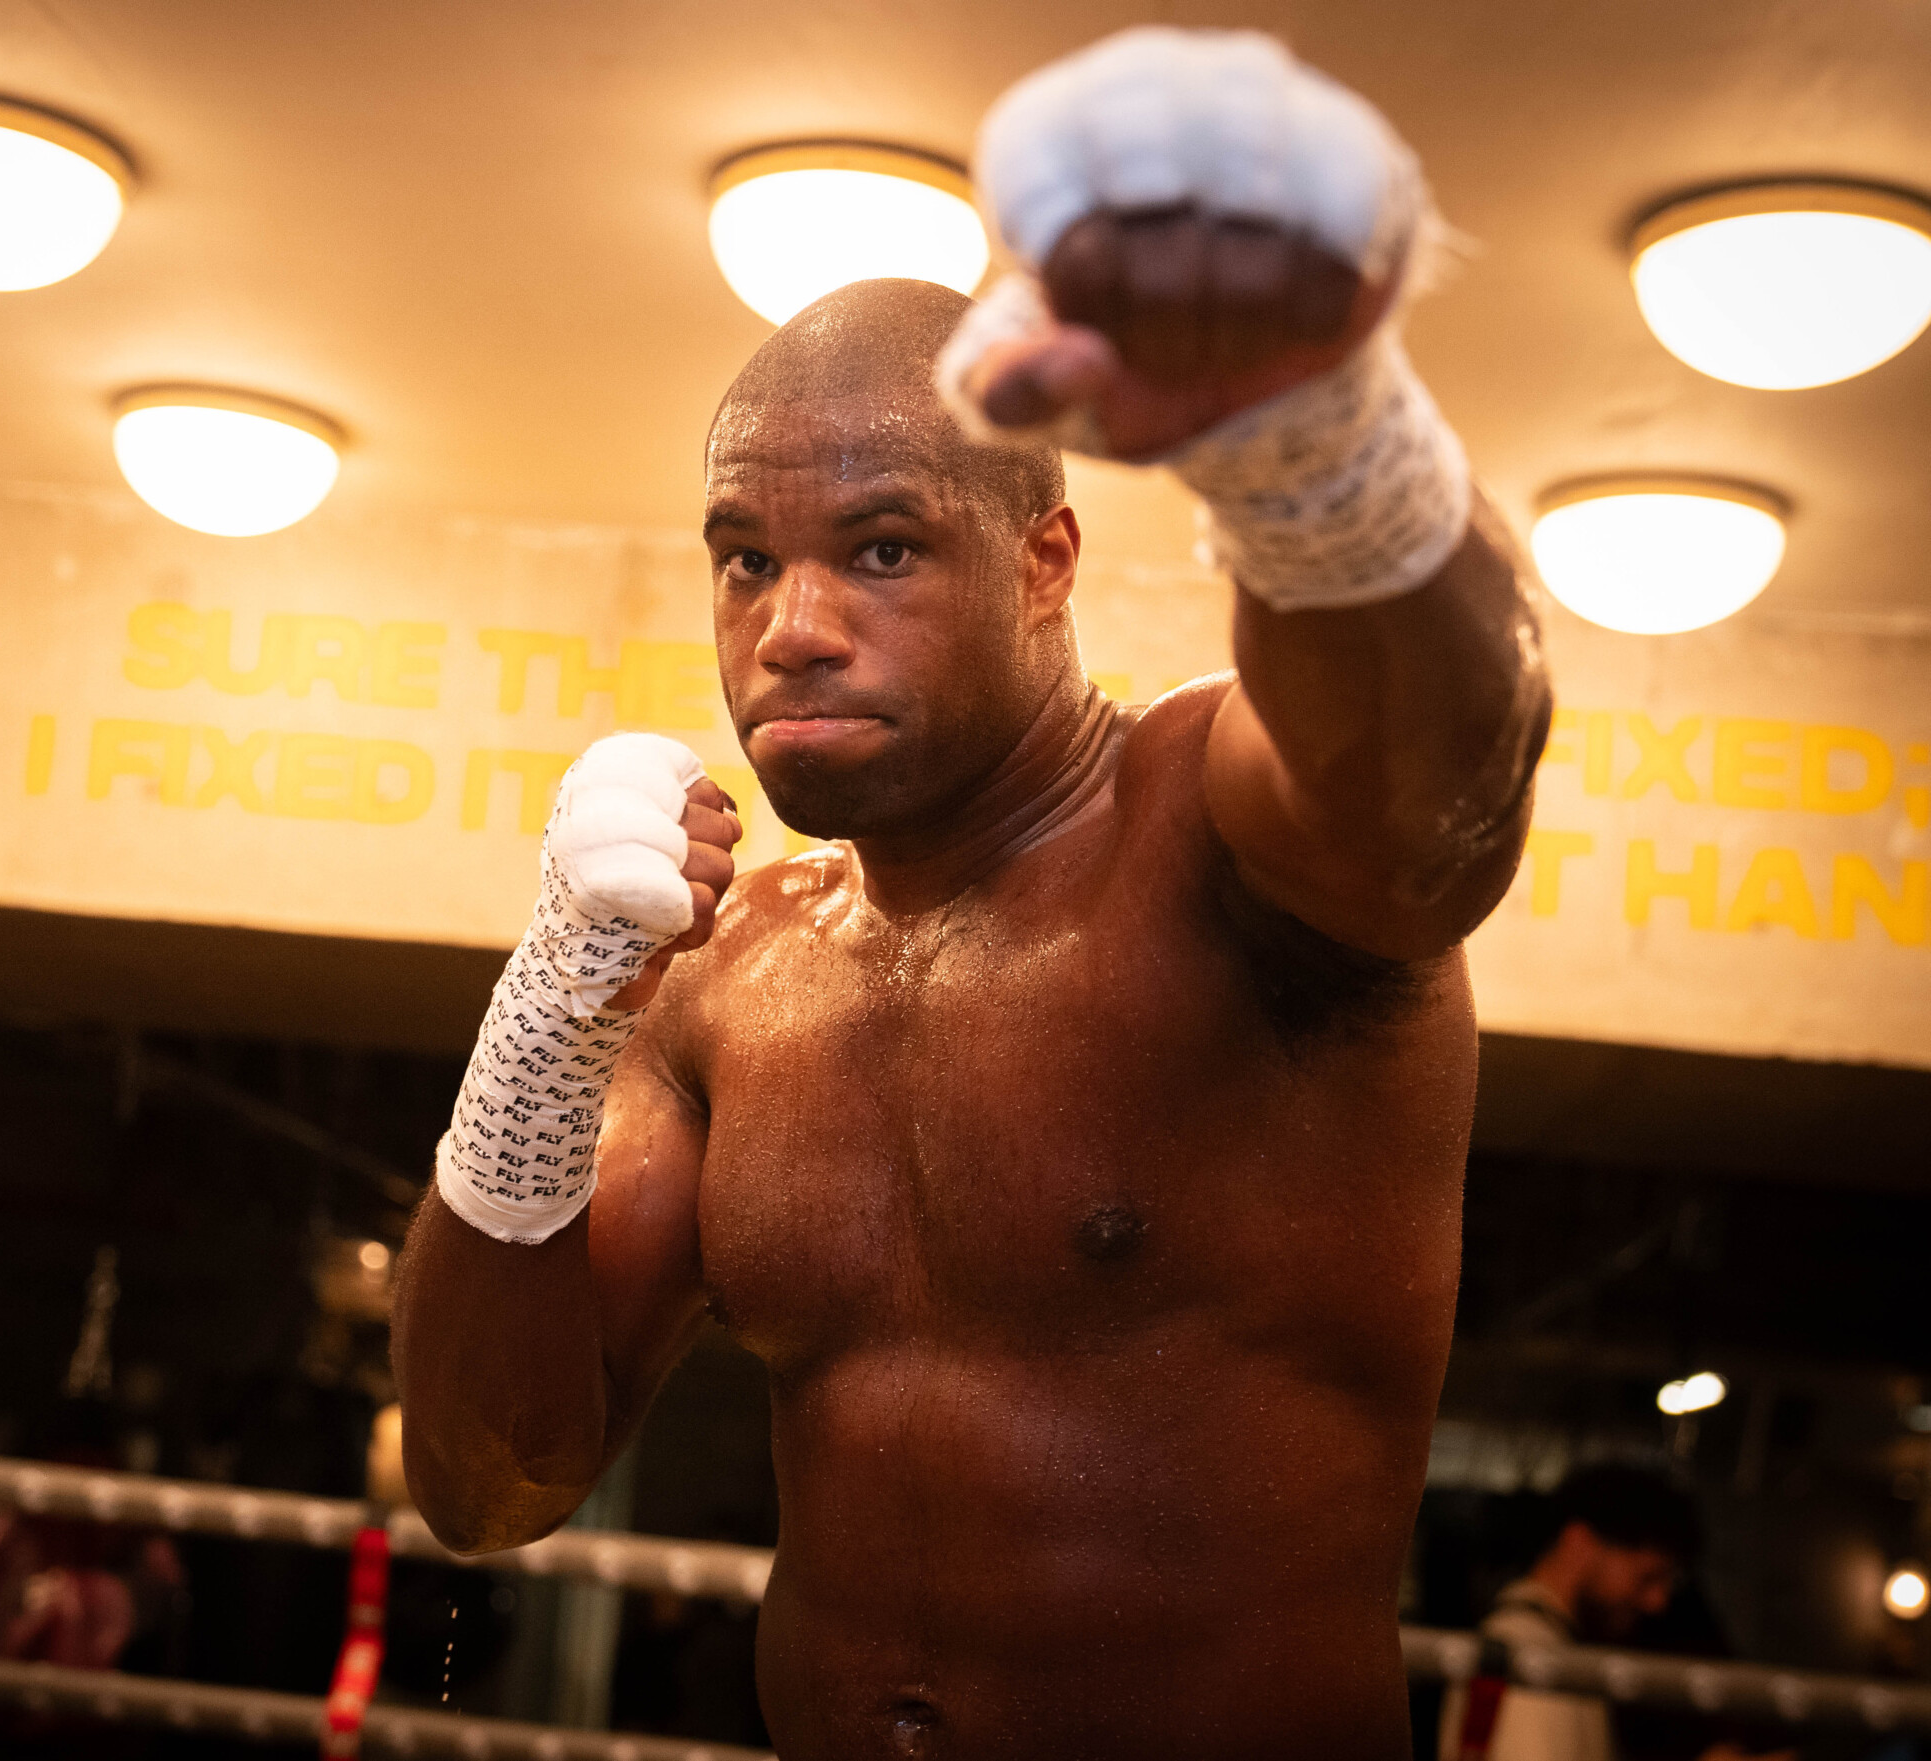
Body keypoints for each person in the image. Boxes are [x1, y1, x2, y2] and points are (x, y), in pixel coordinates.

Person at [396, 28, 1554, 1760]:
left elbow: (1438, 795)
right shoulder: (724, 978)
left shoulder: (1211, 835)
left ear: (1046, 557)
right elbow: (489, 1480)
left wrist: (1324, 448)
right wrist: (544, 1018)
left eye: (883, 547)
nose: (790, 626)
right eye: (745, 559)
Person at [1438, 1465, 1790, 1761]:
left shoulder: (1558, 1648)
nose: (1657, 1602)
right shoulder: (1526, 1654)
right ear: (1578, 1542)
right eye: (1647, 1577)